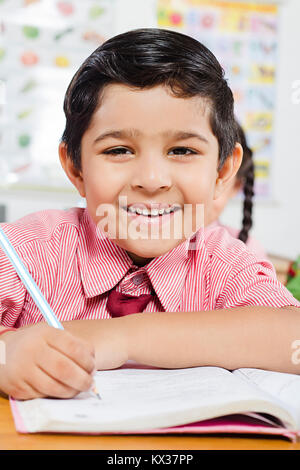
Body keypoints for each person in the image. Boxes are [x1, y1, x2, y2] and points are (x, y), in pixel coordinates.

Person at [0, 28, 299, 401]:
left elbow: (293, 338)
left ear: (223, 173)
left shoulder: (224, 262)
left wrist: (120, 338)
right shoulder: (28, 251)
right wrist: (4, 355)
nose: (152, 180)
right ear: (76, 169)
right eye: (119, 150)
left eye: (183, 151)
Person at [206, 121, 267, 259]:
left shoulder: (250, 252)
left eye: (217, 178)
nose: (200, 194)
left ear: (236, 186)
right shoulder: (155, 241)